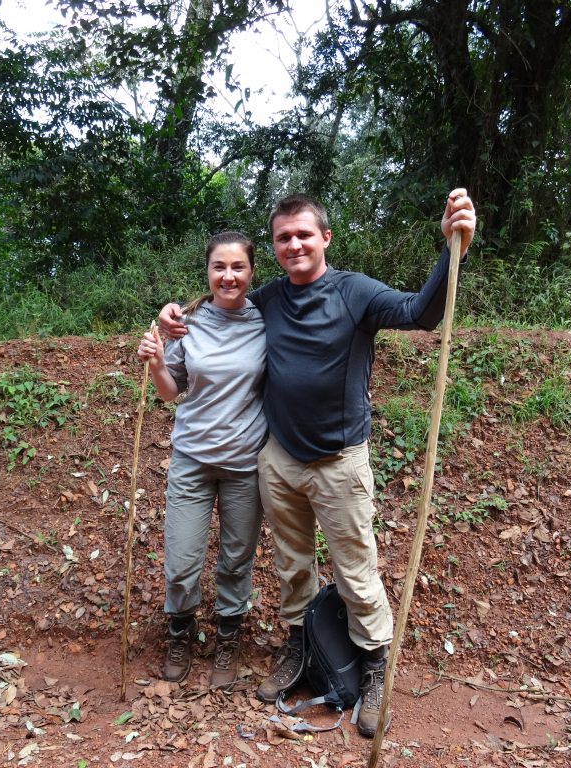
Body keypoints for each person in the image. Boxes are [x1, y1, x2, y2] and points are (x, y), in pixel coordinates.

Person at [160, 190, 476, 736]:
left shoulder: (354, 291)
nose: (294, 244)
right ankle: (301, 650)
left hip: (339, 461)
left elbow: (420, 313)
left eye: (304, 234)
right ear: (275, 249)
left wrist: (455, 251)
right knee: (292, 566)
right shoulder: (271, 297)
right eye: (283, 237)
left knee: (356, 570)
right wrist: (175, 312)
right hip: (279, 458)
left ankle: (375, 666)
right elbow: (224, 293)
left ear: (325, 237)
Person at [137, 231, 267, 688]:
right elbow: (172, 391)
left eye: (238, 267)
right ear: (207, 271)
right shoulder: (185, 322)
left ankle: (228, 636)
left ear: (252, 272)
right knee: (182, 558)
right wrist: (155, 362)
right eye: (219, 267)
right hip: (192, 458)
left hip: (246, 462)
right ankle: (181, 631)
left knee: (236, 559)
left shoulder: (267, 320)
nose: (228, 276)